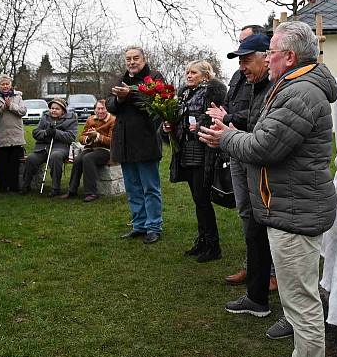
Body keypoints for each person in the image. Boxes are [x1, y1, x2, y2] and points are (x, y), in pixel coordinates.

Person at [200, 21, 337, 357]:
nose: (266, 57)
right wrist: (232, 132)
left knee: (302, 304)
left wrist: (225, 137)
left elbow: (264, 145)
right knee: (297, 303)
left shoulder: (301, 92)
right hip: (290, 206)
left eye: (271, 51)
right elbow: (265, 136)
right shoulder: (294, 86)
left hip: (296, 211)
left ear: (289, 57)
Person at [206, 33, 288, 335]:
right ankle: (256, 296)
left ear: (267, 57)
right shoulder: (253, 85)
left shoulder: (278, 87)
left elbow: (264, 133)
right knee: (252, 227)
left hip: (269, 174)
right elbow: (251, 120)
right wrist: (228, 129)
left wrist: (228, 132)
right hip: (250, 162)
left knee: (267, 233)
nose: (242, 66)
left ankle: (273, 297)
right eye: (239, 60)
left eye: (246, 59)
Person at [163, 61, 226, 262]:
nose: (188, 75)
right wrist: (168, 126)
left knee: (202, 199)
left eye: (193, 72)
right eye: (187, 72)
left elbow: (216, 118)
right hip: (186, 151)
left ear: (205, 75)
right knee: (198, 199)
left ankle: (213, 246)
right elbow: (178, 117)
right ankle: (203, 241)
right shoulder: (184, 94)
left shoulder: (214, 92)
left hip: (204, 151)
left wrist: (199, 126)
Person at [107, 46, 165, 244]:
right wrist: (118, 98)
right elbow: (110, 106)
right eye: (128, 59)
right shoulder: (119, 79)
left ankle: (154, 226)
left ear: (144, 59)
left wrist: (128, 95)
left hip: (146, 141)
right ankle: (139, 225)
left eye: (135, 58)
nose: (131, 62)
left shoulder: (155, 77)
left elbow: (155, 102)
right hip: (123, 142)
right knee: (132, 188)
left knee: (150, 188)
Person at [61, 99, 115, 202]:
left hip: (106, 150)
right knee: (78, 160)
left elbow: (112, 141)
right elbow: (81, 138)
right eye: (98, 108)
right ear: (95, 110)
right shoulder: (90, 120)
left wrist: (98, 136)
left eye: (103, 108)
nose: (100, 111)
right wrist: (88, 138)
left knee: (88, 158)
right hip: (90, 148)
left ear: (107, 109)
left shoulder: (112, 120)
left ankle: (91, 192)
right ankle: (72, 190)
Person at [20, 97, 76, 196]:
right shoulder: (45, 117)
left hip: (60, 147)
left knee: (55, 156)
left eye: (57, 109)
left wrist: (56, 133)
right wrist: (45, 133)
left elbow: (71, 137)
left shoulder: (71, 119)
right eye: (52, 108)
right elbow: (35, 133)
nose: (53, 110)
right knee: (31, 159)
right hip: (43, 147)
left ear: (63, 111)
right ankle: (26, 185)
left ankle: (55, 188)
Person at [0, 75, 27, 192]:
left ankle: (15, 186)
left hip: (16, 135)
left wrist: (10, 106)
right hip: (0, 134)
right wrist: (2, 107)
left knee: (15, 163)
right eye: (2, 84)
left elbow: (23, 111)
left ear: (11, 85)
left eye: (7, 84)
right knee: (2, 164)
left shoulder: (18, 96)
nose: (5, 86)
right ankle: (3, 187)